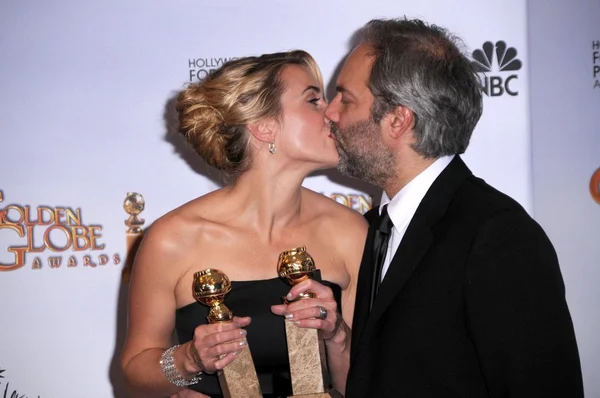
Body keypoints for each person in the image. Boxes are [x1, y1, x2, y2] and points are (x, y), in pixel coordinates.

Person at [323, 18, 585, 397]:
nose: (330, 112)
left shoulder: (498, 237)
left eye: (345, 98)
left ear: (398, 120)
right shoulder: (371, 229)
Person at [120, 50, 367, 398]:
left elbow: (364, 384)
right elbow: (135, 372)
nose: (331, 112)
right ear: (263, 126)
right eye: (313, 100)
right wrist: (189, 359)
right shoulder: (172, 239)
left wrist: (336, 334)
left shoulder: (350, 233)